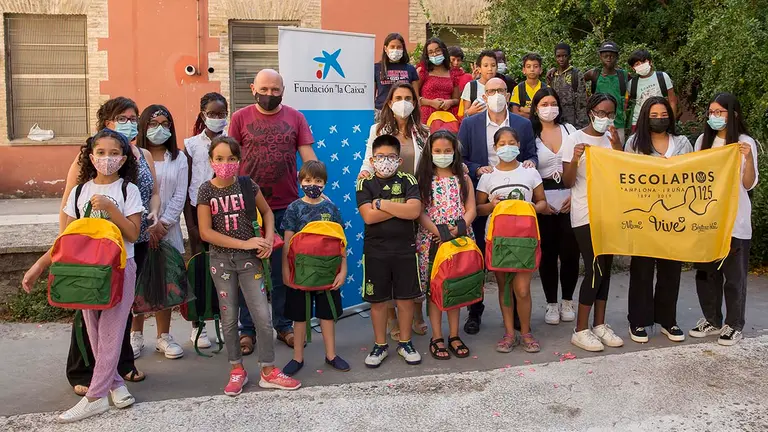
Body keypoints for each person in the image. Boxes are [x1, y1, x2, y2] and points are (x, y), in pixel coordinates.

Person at [23, 128, 144, 422]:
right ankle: (115, 384)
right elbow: (67, 239)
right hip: (85, 270)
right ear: (91, 157)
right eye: (100, 153)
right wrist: (39, 266)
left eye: (114, 153)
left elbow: (133, 233)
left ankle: (95, 397)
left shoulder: (128, 190)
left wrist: (112, 209)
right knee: (95, 332)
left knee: (112, 331)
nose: (107, 158)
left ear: (123, 158)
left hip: (119, 268)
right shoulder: (79, 192)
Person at [59, 97, 157, 395]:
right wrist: (66, 248)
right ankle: (83, 369)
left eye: (134, 118)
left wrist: (155, 212)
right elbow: (69, 203)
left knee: (121, 308)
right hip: (91, 248)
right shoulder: (90, 154)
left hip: (132, 242)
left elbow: (152, 192)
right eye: (122, 118)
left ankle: (121, 364)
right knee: (88, 309)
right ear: (107, 122)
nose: (130, 123)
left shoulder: (141, 155)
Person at [197, 136, 300, 395]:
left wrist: (268, 239)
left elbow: (267, 212)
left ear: (239, 160)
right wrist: (244, 243)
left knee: (262, 316)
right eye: (219, 158)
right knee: (229, 317)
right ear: (211, 161)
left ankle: (268, 370)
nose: (225, 163)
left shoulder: (247, 185)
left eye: (231, 158)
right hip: (221, 262)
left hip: (250, 262)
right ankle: (236, 369)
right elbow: (206, 232)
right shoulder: (206, 190)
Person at [229, 69, 317, 351]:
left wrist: (317, 186)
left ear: (283, 91)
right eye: (264, 89)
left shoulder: (296, 118)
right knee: (247, 271)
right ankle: (247, 329)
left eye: (275, 90)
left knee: (282, 271)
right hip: (247, 209)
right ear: (253, 89)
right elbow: (229, 158)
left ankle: (283, 325)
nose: (269, 94)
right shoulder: (239, 118)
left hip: (286, 206)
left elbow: (308, 158)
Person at [458, 77, 538, 335]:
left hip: (516, 208)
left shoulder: (523, 124)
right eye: (491, 91)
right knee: (479, 259)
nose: (496, 95)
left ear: (508, 94)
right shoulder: (470, 123)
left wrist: (531, 163)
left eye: (501, 90)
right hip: (483, 197)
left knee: (513, 257)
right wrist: (476, 169)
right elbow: (461, 158)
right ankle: (475, 311)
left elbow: (531, 154)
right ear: (484, 95)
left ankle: (516, 316)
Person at [359, 81, 430, 339]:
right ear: (389, 102)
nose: (403, 103)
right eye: (398, 98)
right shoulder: (378, 129)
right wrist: (364, 179)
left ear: (415, 102)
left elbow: (430, 164)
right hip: (383, 198)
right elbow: (368, 161)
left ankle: (417, 311)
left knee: (415, 261)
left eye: (408, 98)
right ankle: (391, 317)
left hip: (415, 198)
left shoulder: (423, 131)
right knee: (387, 260)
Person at [689, 93, 758, 346]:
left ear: (733, 115)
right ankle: (712, 319)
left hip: (734, 220)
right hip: (706, 220)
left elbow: (748, 183)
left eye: (719, 112)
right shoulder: (702, 142)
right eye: (711, 112)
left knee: (734, 276)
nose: (714, 117)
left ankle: (734, 323)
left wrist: (747, 158)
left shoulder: (744, 143)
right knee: (706, 274)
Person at [623, 96, 692, 343]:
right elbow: (627, 176)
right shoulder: (634, 143)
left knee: (670, 270)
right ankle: (638, 321)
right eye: (654, 115)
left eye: (664, 115)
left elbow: (692, 173)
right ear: (645, 117)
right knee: (641, 270)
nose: (659, 119)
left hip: (674, 216)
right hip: (644, 216)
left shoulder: (682, 143)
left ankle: (667, 320)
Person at [562, 93, 625, 352]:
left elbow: (623, 175)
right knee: (595, 267)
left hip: (610, 212)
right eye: (600, 112)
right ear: (590, 112)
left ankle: (599, 324)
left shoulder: (613, 139)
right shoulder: (574, 139)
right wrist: (575, 158)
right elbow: (568, 181)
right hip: (585, 213)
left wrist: (618, 148)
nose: (605, 118)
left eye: (610, 114)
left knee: (606, 269)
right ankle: (580, 329)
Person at [476, 127, 549, 353]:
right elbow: (478, 208)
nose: (507, 147)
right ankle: (509, 333)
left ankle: (525, 332)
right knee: (505, 288)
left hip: (525, 238)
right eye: (502, 144)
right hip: (498, 239)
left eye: (511, 143)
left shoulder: (529, 172)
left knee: (523, 289)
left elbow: (543, 203)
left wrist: (532, 207)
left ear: (518, 145)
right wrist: (491, 205)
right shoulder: (488, 176)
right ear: (495, 147)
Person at [356, 134, 423, 368]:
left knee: (405, 298)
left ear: (399, 160)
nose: (386, 161)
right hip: (376, 251)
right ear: (372, 160)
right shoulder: (365, 183)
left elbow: (414, 211)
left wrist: (381, 204)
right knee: (378, 301)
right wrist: (399, 206)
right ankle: (380, 345)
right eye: (380, 157)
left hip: (405, 249)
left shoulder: (408, 180)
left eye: (391, 157)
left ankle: (405, 343)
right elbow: (368, 216)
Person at [281, 161, 350, 376]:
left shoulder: (331, 208)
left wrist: (343, 270)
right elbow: (287, 243)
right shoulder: (294, 208)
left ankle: (331, 355)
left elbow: (340, 242)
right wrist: (285, 271)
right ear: (300, 181)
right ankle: (297, 357)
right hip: (300, 272)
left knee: (326, 315)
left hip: (327, 271)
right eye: (308, 180)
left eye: (318, 181)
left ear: (325, 183)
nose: (313, 184)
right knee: (299, 317)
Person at [131, 105, 189, 359]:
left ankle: (164, 336)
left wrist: (163, 223)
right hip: (137, 228)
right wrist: (146, 225)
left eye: (165, 124)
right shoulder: (133, 156)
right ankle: (135, 335)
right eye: (153, 124)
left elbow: (180, 194)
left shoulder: (179, 158)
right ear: (143, 127)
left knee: (166, 282)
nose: (159, 129)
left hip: (168, 230)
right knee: (138, 282)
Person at [415, 130, 476, 360]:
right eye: (438, 151)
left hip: (459, 241)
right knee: (435, 289)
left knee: (454, 286)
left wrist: (456, 230)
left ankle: (454, 334)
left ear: (455, 152)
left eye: (447, 151)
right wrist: (440, 232)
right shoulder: (423, 180)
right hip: (432, 243)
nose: (443, 155)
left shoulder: (463, 178)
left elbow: (471, 209)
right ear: (430, 153)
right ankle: (437, 336)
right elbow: (419, 212)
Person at [530, 88, 580, 325]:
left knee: (570, 252)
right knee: (548, 254)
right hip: (543, 200)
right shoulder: (530, 133)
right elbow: (527, 167)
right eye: (544, 104)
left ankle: (567, 300)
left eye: (553, 103)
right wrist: (539, 200)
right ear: (536, 108)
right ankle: (551, 303)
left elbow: (582, 164)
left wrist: (576, 195)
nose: (549, 108)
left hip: (570, 197)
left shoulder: (570, 131)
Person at [183, 91, 229, 349]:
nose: (216, 118)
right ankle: (198, 325)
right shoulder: (191, 145)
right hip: (198, 213)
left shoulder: (232, 142)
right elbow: (186, 184)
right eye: (212, 113)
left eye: (221, 113)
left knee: (225, 270)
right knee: (200, 271)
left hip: (227, 212)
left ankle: (224, 320)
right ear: (203, 115)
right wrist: (191, 225)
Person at [583, 41, 628, 144]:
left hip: (618, 123)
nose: (609, 58)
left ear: (617, 57)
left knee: (617, 151)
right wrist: (587, 97)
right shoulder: (594, 74)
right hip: (598, 122)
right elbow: (579, 80)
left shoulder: (623, 75)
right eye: (605, 56)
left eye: (612, 56)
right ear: (600, 57)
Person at [626, 50, 678, 132]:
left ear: (650, 62)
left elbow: (672, 101)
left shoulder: (663, 77)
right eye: (637, 64)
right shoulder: (631, 84)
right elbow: (624, 103)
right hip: (639, 122)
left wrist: (671, 120)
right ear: (633, 68)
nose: (641, 65)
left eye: (644, 62)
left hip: (660, 120)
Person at [374, 33, 420, 121]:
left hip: (404, 113)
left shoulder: (410, 69)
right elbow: (371, 96)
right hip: (382, 112)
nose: (395, 50)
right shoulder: (376, 68)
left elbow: (416, 97)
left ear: (403, 49)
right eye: (392, 47)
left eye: (399, 47)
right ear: (385, 48)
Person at [417, 37, 460, 121]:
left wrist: (450, 102)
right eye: (430, 52)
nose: (435, 54)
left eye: (437, 50)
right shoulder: (422, 71)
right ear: (427, 55)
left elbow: (457, 99)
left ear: (443, 51)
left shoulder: (452, 74)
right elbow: (414, 97)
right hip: (426, 117)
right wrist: (431, 103)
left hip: (447, 117)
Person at [546, 43, 588, 128]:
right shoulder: (552, 75)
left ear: (569, 57)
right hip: (556, 120)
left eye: (564, 56)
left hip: (573, 122)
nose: (561, 59)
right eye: (558, 56)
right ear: (555, 57)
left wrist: (581, 125)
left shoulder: (576, 74)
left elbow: (582, 103)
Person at [460, 50, 498, 118]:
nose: (490, 69)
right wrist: (470, 112)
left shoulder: (501, 86)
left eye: (493, 65)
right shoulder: (471, 86)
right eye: (486, 65)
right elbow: (464, 114)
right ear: (479, 69)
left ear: (497, 68)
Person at [511, 53, 546, 119]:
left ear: (541, 70)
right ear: (524, 70)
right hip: (523, 124)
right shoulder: (518, 88)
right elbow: (515, 113)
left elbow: (546, 112)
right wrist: (536, 113)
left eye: (535, 66)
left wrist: (524, 109)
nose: (532, 69)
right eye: (528, 66)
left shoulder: (546, 88)